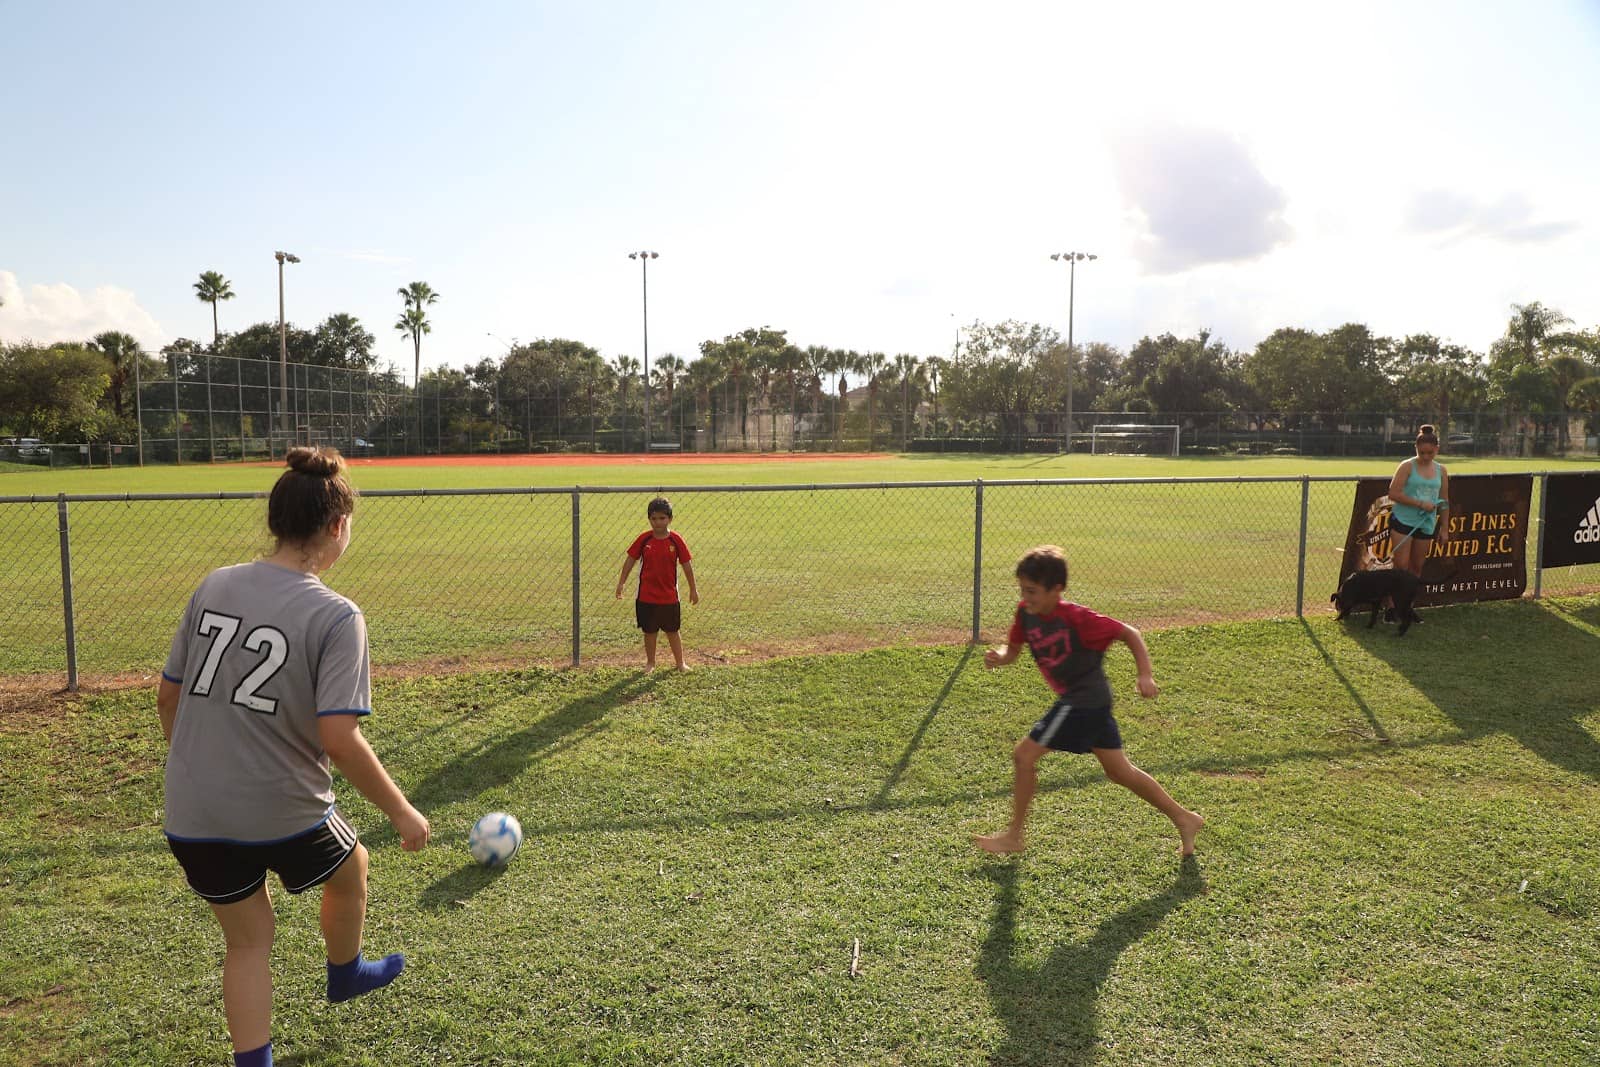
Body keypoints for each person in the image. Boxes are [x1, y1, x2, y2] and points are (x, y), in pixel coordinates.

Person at [156, 447, 430, 1067]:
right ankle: (347, 971)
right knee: (352, 864)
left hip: (191, 809)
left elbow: (168, 696)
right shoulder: (337, 615)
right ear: (336, 527)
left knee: (248, 942)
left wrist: (199, 765)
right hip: (283, 807)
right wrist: (403, 813)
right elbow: (339, 738)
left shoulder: (215, 583)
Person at [972, 545, 1204, 858]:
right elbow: (1012, 652)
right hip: (1091, 703)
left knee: (1024, 756)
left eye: (1033, 591)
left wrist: (1145, 674)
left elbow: (1130, 633)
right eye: (1022, 590)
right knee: (1120, 772)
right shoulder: (1025, 614)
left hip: (1082, 702)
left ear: (1057, 589)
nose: (1026, 598)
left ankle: (1014, 835)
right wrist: (998, 657)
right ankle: (1184, 818)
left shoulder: (1077, 618)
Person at [615, 496, 699, 670]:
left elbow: (687, 565)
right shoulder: (644, 539)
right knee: (650, 631)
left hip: (669, 597)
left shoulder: (676, 540)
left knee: (672, 631)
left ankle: (680, 663)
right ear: (649, 519)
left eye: (662, 518)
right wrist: (621, 582)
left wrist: (693, 589)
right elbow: (630, 560)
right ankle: (650, 663)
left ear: (670, 519)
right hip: (646, 596)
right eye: (653, 518)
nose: (658, 522)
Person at [1386, 424, 1451, 609]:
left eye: (1430, 453)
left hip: (1426, 524)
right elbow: (1393, 493)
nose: (1426, 457)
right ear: (1416, 449)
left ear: (1437, 449)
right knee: (1401, 567)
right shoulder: (1407, 466)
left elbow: (1444, 500)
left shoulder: (1441, 470)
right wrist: (1420, 504)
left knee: (1416, 568)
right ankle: (1391, 607)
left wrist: (1444, 528)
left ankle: (1407, 607)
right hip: (1404, 520)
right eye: (1422, 453)